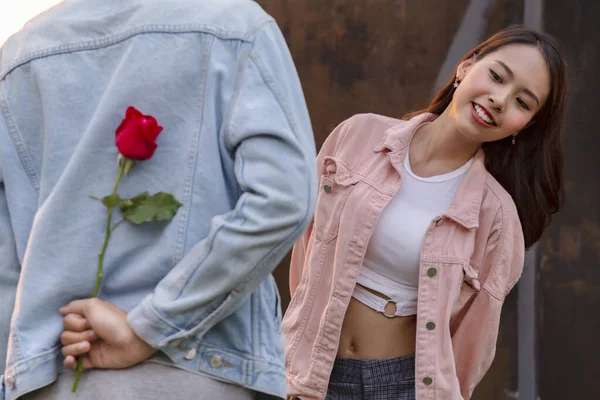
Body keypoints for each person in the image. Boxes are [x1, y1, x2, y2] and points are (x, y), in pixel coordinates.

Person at [0, 0, 317, 399]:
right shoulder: (236, 26)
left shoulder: (18, 55)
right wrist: (151, 326)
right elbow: (283, 200)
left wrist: (17, 374)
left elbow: (6, 261)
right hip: (197, 373)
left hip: (53, 374)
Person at [283, 25, 567, 400]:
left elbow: (471, 343)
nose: (499, 99)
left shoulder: (496, 217)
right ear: (466, 66)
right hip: (308, 369)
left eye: (522, 102)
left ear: (526, 126)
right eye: (497, 77)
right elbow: (307, 251)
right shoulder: (358, 135)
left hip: (402, 386)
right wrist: (301, 348)